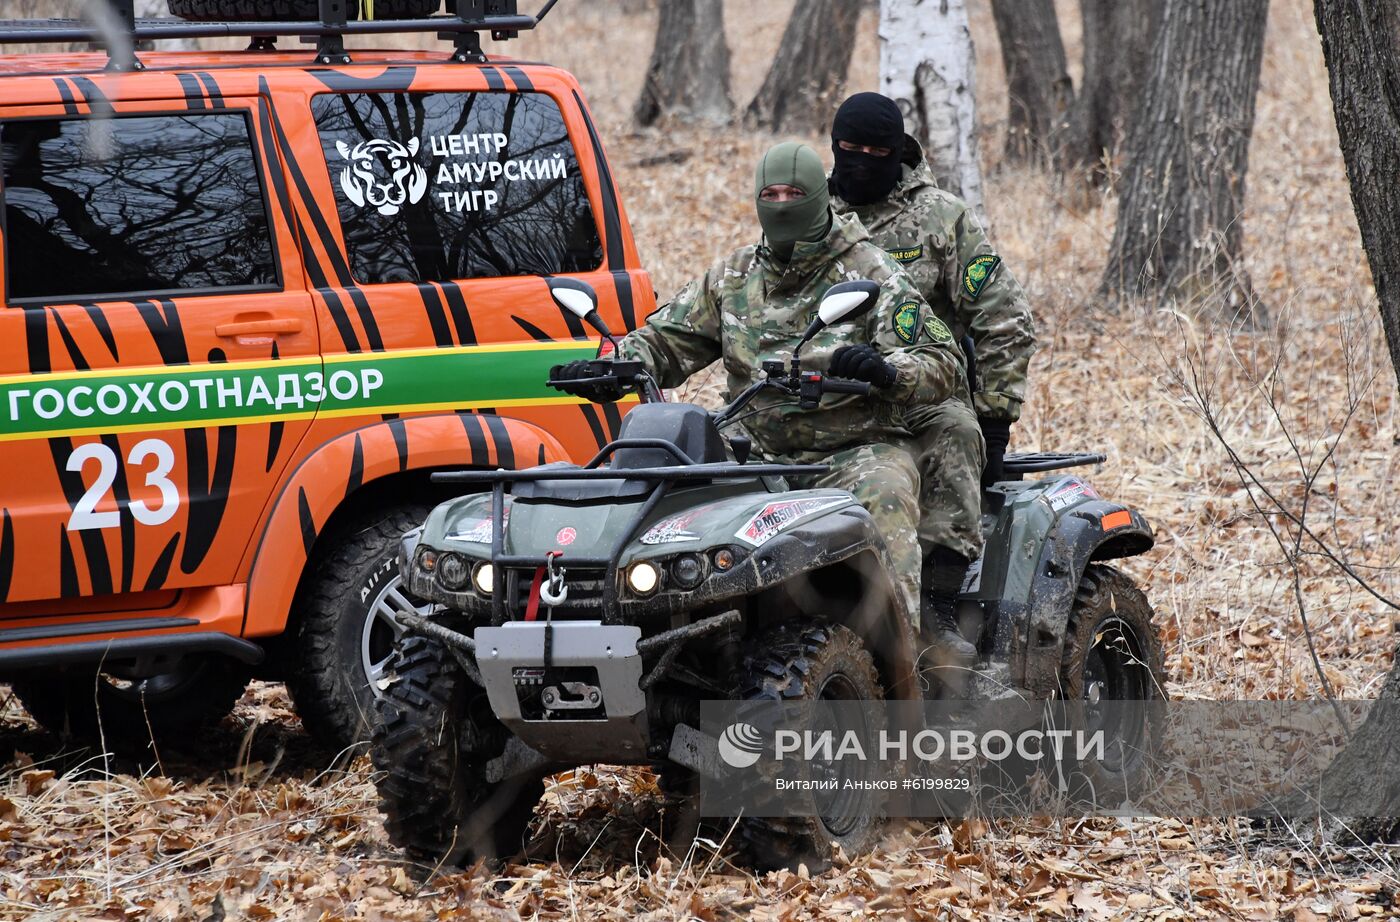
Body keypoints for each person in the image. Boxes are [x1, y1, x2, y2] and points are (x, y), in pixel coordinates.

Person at [552, 141, 974, 672]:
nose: (780, 204)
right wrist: (613, 365)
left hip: (849, 452)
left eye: (793, 194)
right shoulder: (734, 276)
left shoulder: (871, 273)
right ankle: (655, 651)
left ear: (820, 199)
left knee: (886, 498)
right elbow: (666, 339)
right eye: (769, 194)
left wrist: (889, 370)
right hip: (749, 454)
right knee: (654, 501)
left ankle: (906, 669)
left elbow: (943, 360)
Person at [828, 91, 1039, 669]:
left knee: (953, 432)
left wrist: (994, 423)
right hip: (822, 403)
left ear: (899, 152)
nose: (862, 160)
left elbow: (1005, 319)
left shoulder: (941, 218)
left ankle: (941, 604)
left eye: (877, 150)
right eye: (850, 149)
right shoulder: (811, 215)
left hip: (922, 396)